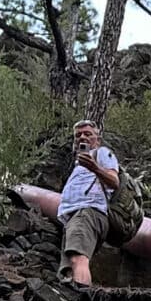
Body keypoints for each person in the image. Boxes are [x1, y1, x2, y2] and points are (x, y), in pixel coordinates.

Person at [58, 119, 122, 287]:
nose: (82, 137)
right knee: (71, 262)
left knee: (79, 257)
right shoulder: (79, 164)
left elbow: (114, 182)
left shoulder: (102, 153)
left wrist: (95, 168)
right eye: (78, 135)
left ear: (97, 140)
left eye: (88, 134)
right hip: (75, 216)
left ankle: (83, 298)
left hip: (88, 212)